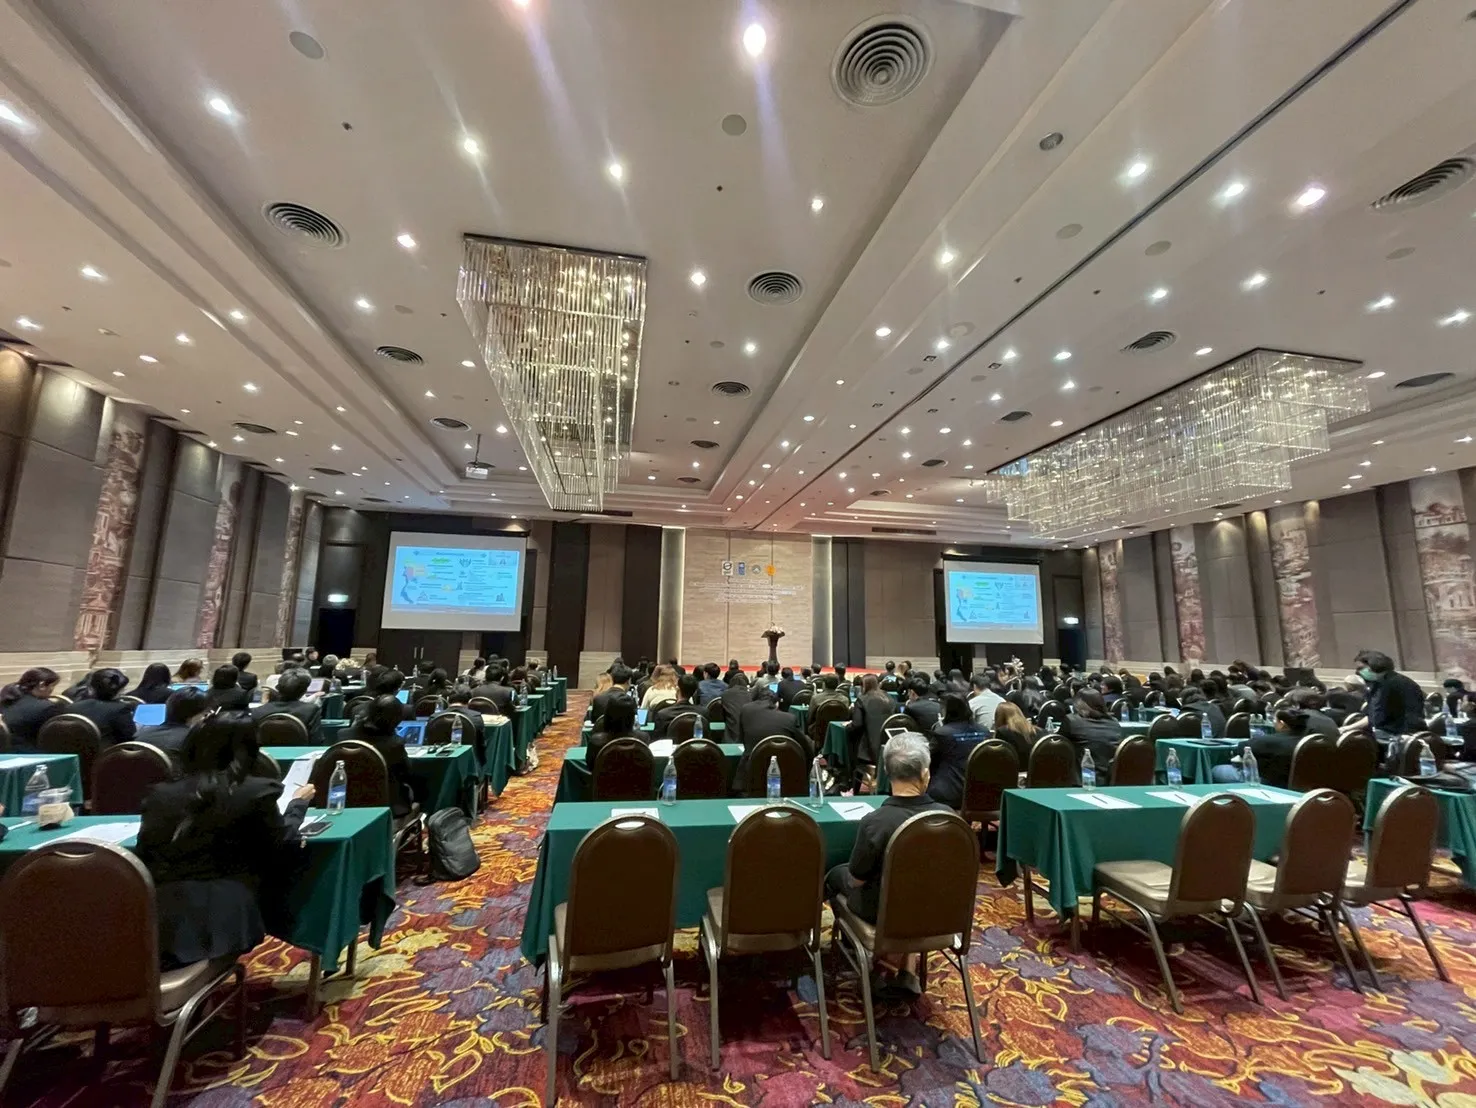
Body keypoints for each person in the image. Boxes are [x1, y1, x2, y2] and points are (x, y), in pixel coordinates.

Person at [135, 712, 315, 967]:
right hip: (228, 914)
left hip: (159, 914)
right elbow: (282, 843)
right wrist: (297, 806)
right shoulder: (257, 791)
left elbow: (145, 854)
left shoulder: (159, 795)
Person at [824, 733, 950, 996]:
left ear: (885, 772)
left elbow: (856, 879)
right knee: (916, 886)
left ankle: (865, 960)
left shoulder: (876, 822)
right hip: (938, 912)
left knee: (835, 876)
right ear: (925, 774)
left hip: (884, 914)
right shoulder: (948, 817)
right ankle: (907, 969)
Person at [346, 694, 419, 817]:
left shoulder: (343, 735)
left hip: (349, 801)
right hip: (388, 805)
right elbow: (407, 774)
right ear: (396, 720)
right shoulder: (394, 744)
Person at [733, 685, 811, 788]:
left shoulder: (746, 709)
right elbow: (804, 746)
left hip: (751, 772)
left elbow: (741, 738)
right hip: (785, 773)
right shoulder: (790, 719)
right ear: (777, 703)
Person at [1212, 708, 1306, 788]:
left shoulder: (1270, 741)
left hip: (1269, 783)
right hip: (1301, 783)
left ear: (1282, 724)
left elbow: (1241, 749)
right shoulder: (1309, 740)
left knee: (1216, 770)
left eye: (1275, 720)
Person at [926, 694, 986, 810]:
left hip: (948, 793)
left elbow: (926, 759)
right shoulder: (985, 731)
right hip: (979, 792)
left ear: (948, 711)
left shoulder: (942, 733)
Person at [1355, 649, 1425, 736]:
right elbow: (1372, 716)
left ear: (1374, 665)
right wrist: (1347, 728)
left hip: (1400, 734)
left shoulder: (1400, 683)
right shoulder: (1375, 684)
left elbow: (1412, 717)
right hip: (1381, 732)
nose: (1357, 672)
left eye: (1361, 668)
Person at [1060, 689, 1122, 778]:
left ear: (1079, 704)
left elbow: (1058, 744)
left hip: (1084, 777)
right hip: (1111, 776)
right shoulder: (1114, 722)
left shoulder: (1071, 720)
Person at [67, 668, 137, 747]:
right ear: (119, 691)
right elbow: (128, 737)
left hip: (74, 749)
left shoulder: (72, 707)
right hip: (105, 752)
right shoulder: (120, 709)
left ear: (91, 687)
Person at [0, 667, 63, 750]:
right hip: (25, 752)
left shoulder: (6, 698)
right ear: (42, 685)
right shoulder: (47, 707)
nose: (52, 690)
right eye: (52, 686)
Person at [252, 668, 323, 742]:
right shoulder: (311, 710)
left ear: (278, 688)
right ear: (304, 691)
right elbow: (317, 740)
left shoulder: (258, 711)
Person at [139, 687, 209, 756]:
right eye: (205, 714)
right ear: (191, 716)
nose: (206, 717)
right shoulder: (194, 741)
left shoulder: (140, 733)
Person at [847, 675, 895, 773]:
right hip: (889, 745)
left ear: (863, 686)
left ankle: (849, 774)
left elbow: (857, 725)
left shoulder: (861, 699)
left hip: (868, 749)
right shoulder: (889, 698)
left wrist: (847, 727)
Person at [587, 696, 640, 762]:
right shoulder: (643, 739)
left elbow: (590, 765)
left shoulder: (596, 742)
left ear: (607, 715)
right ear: (633, 718)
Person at [651, 674, 702, 740]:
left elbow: (657, 740)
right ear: (695, 692)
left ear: (678, 689)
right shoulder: (703, 713)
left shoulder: (662, 715)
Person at [993, 700, 1037, 765]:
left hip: (1015, 769)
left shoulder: (1002, 732)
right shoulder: (1040, 731)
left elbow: (998, 759)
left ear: (999, 717)